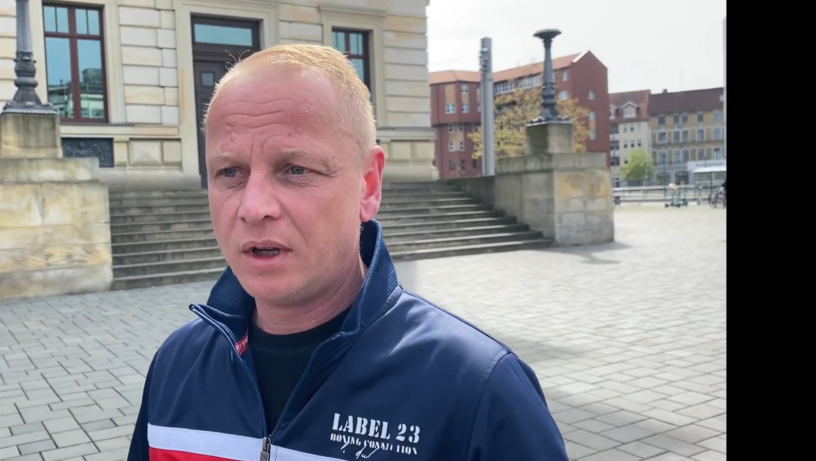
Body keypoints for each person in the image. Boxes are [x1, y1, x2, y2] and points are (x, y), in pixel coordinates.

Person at [127, 44, 568, 461]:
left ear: (368, 186)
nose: (253, 207)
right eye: (229, 172)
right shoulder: (176, 365)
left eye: (295, 169)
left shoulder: (478, 391)